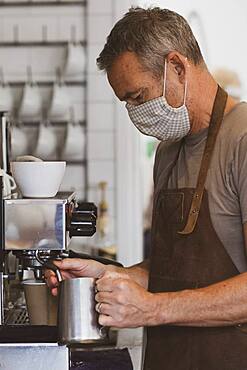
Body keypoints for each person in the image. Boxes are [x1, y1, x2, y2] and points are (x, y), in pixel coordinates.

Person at [46, 7, 247, 370]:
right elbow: (175, 268)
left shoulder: (242, 140)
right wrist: (113, 275)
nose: (135, 112)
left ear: (177, 67)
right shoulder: (169, 151)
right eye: (126, 102)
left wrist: (153, 308)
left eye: (138, 96)